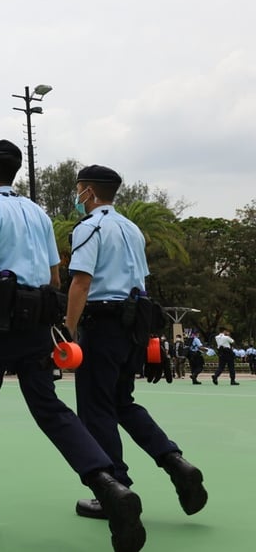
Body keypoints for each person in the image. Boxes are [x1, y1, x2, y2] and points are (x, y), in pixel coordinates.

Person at [0, 141, 145, 552]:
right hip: (35, 326)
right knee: (52, 410)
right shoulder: (37, 213)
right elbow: (53, 277)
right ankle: (108, 483)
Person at [64, 164, 207, 526]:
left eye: (79, 190)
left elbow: (81, 282)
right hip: (135, 324)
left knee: (96, 408)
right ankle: (174, 461)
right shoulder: (132, 229)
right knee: (122, 403)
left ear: (89, 193)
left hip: (103, 322)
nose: (77, 196)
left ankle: (115, 487)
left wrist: (68, 329)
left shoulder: (89, 227)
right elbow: (140, 282)